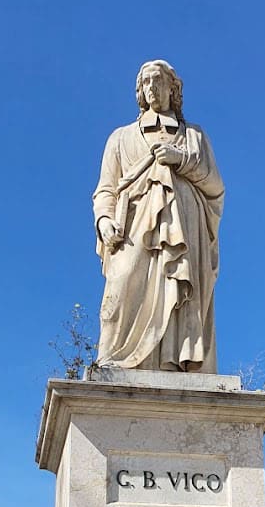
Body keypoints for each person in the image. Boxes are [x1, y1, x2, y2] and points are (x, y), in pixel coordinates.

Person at [92, 60, 224, 372]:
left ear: (172, 89)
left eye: (158, 81)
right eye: (146, 82)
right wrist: (103, 220)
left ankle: (176, 363)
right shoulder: (121, 138)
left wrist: (182, 160)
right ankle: (114, 366)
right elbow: (105, 189)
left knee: (181, 294)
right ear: (140, 91)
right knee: (120, 290)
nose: (152, 88)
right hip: (134, 226)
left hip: (185, 228)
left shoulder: (194, 137)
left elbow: (216, 186)